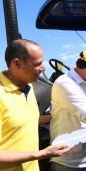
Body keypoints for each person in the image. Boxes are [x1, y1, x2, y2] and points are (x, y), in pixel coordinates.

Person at [0, 39, 73, 171]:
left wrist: (56, 115)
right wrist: (42, 154)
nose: (43, 68)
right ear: (17, 64)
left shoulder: (28, 87)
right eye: (37, 64)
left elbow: (25, 119)